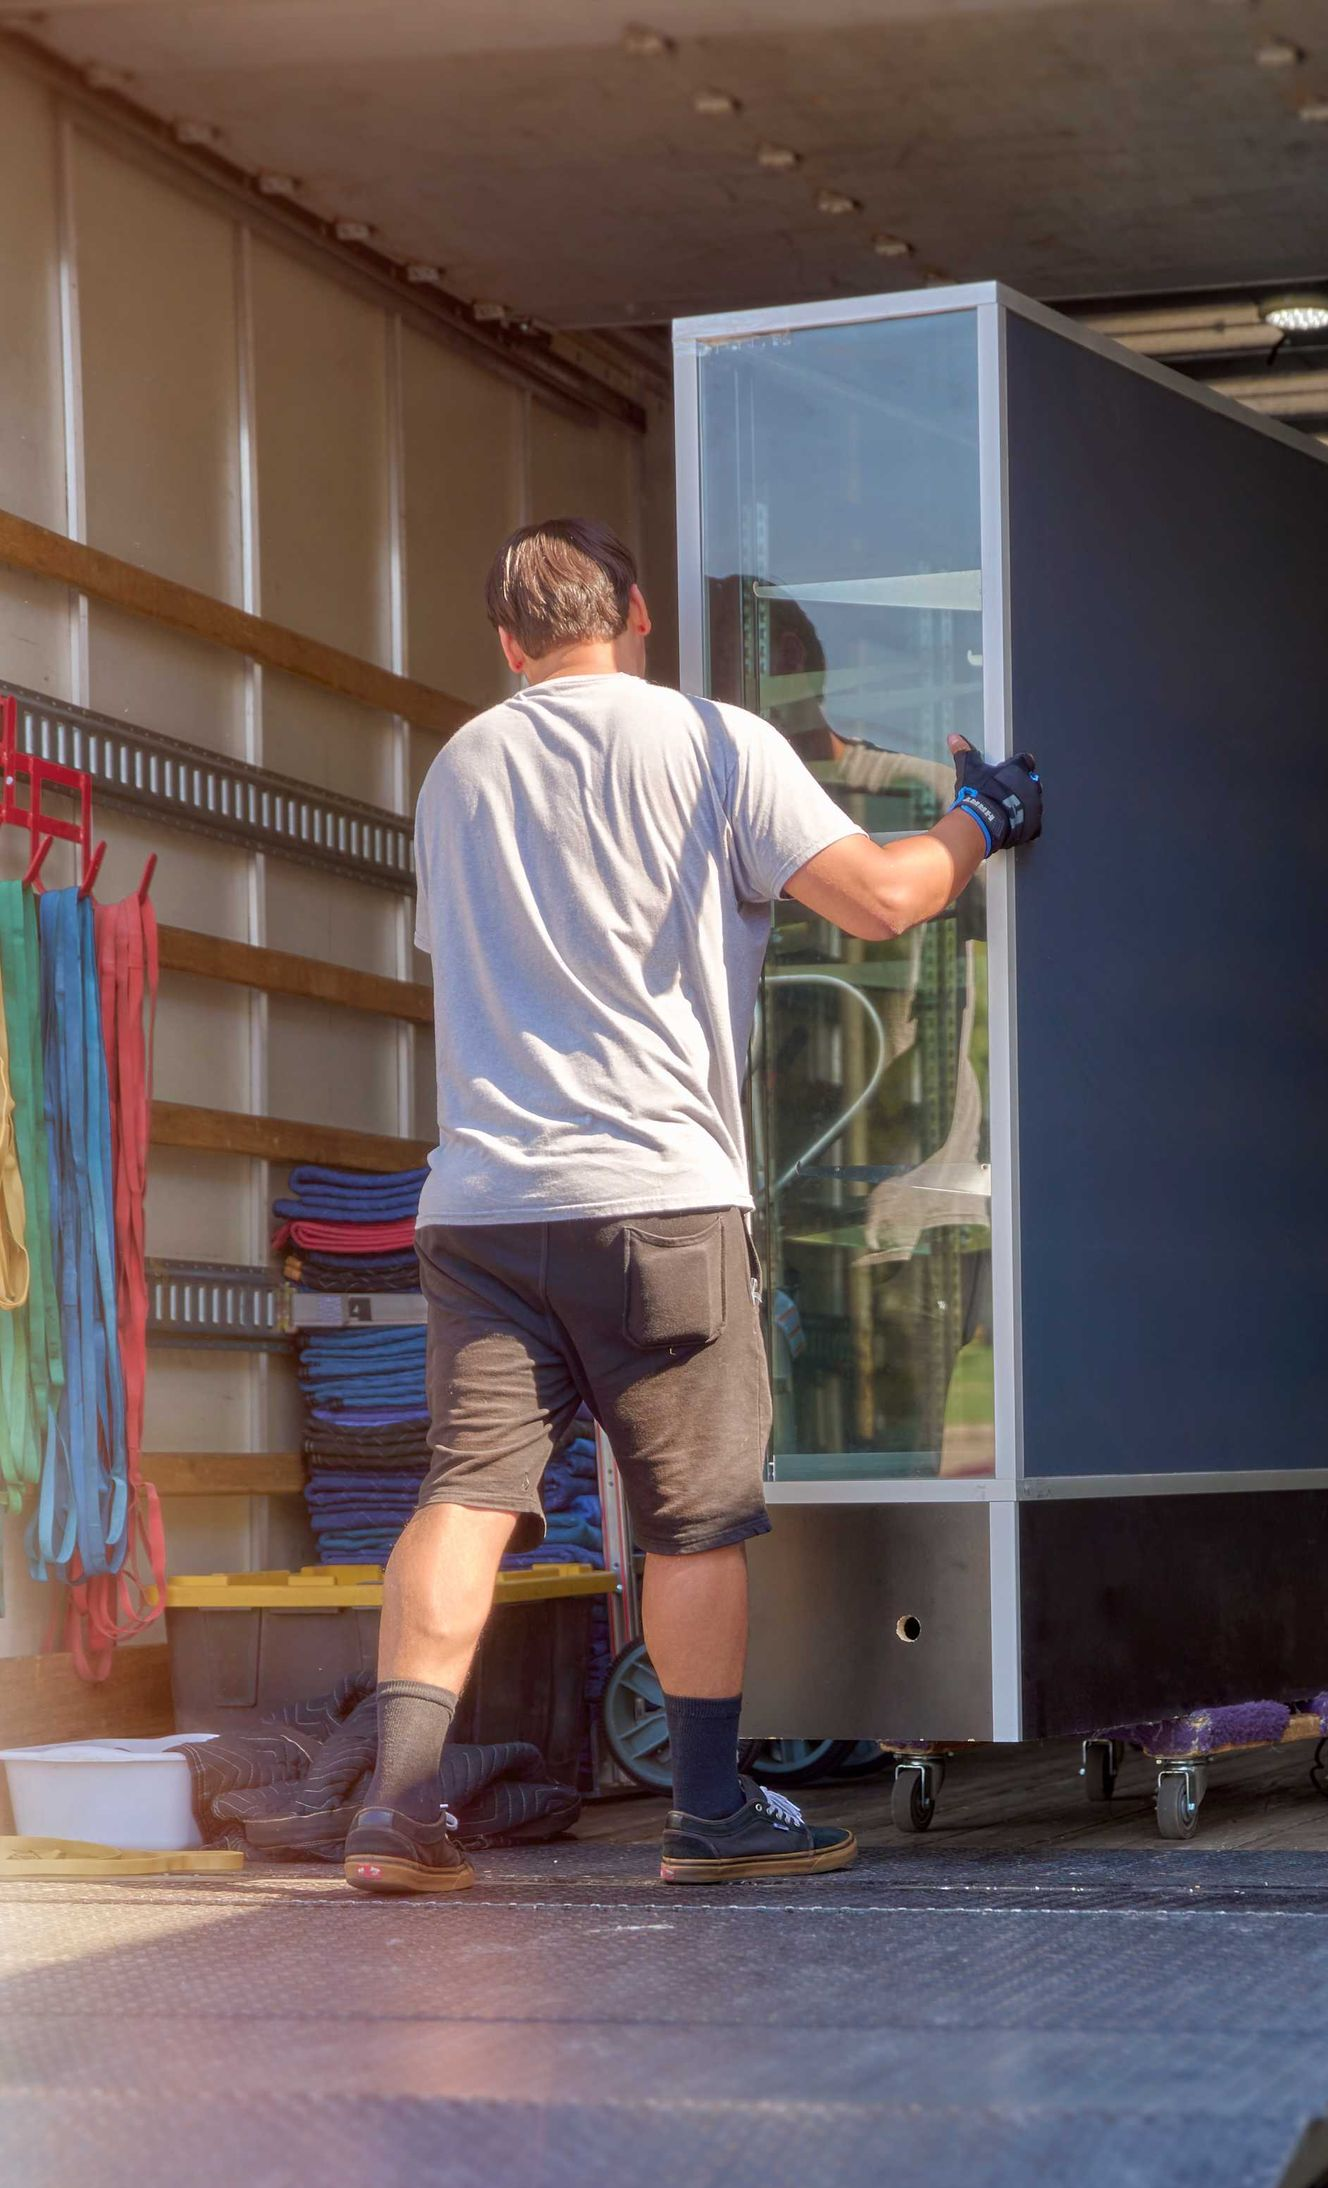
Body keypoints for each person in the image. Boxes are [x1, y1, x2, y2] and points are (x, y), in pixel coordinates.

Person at [342, 517, 1043, 1894]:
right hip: (656, 1202)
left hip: (480, 1205)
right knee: (693, 1519)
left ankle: (397, 1808)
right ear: (640, 614)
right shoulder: (714, 743)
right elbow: (888, 902)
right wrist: (989, 815)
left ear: (508, 642)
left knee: (468, 1499)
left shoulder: (457, 767)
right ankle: (711, 1811)